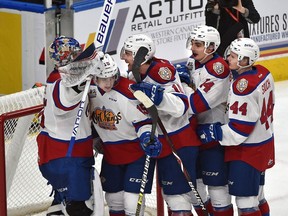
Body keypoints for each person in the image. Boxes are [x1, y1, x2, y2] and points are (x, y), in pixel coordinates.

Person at [121, 34, 202, 216]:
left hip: (177, 141)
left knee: (179, 198)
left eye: (127, 53)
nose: (123, 57)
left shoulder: (161, 71)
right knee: (170, 195)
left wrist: (159, 97)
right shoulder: (134, 76)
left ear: (140, 54)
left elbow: (181, 107)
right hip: (159, 142)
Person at [197, 37, 275, 216]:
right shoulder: (264, 72)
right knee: (258, 196)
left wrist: (213, 132)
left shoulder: (243, 88)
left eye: (233, 57)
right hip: (265, 141)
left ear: (245, 60)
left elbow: (239, 131)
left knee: (246, 202)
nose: (228, 59)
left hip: (247, 150)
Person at [89, 51, 162, 216]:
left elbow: (144, 122)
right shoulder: (88, 92)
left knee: (132, 204)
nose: (108, 83)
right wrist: (94, 140)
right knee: (114, 200)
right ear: (94, 77)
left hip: (136, 153)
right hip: (111, 154)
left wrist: (146, 138)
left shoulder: (128, 92)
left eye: (111, 77)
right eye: (103, 78)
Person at [176, 25, 233, 215]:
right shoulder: (194, 62)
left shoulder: (219, 70)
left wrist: (182, 85)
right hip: (192, 133)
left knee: (218, 191)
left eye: (198, 44)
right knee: (196, 190)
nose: (193, 48)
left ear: (210, 48)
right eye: (192, 43)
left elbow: (195, 105)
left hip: (213, 135)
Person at [37, 41, 98, 216]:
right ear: (67, 55)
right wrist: (78, 85)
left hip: (66, 151)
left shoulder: (64, 75)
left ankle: (58, 205)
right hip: (66, 154)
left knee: (62, 204)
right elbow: (64, 102)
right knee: (80, 207)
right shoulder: (59, 80)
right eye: (75, 52)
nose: (79, 54)